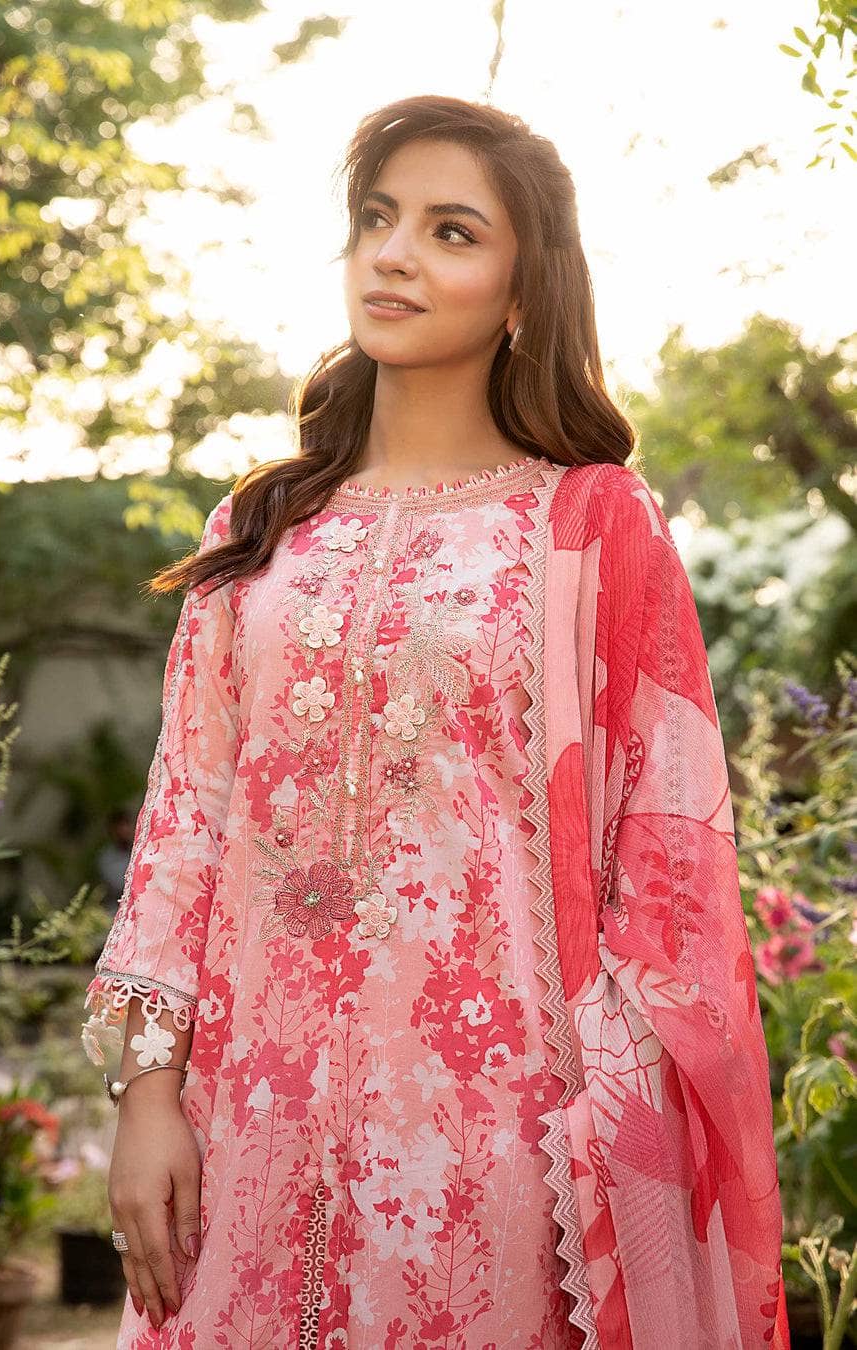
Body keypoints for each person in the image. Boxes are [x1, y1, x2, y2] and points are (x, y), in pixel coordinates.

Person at [81, 94, 790, 1349]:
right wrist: (150, 1092)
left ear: (524, 295)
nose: (394, 253)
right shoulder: (258, 535)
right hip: (244, 1117)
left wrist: (602, 1116)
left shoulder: (589, 526)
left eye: (451, 231)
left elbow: (669, 853)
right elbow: (184, 826)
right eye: (376, 218)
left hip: (499, 1134)